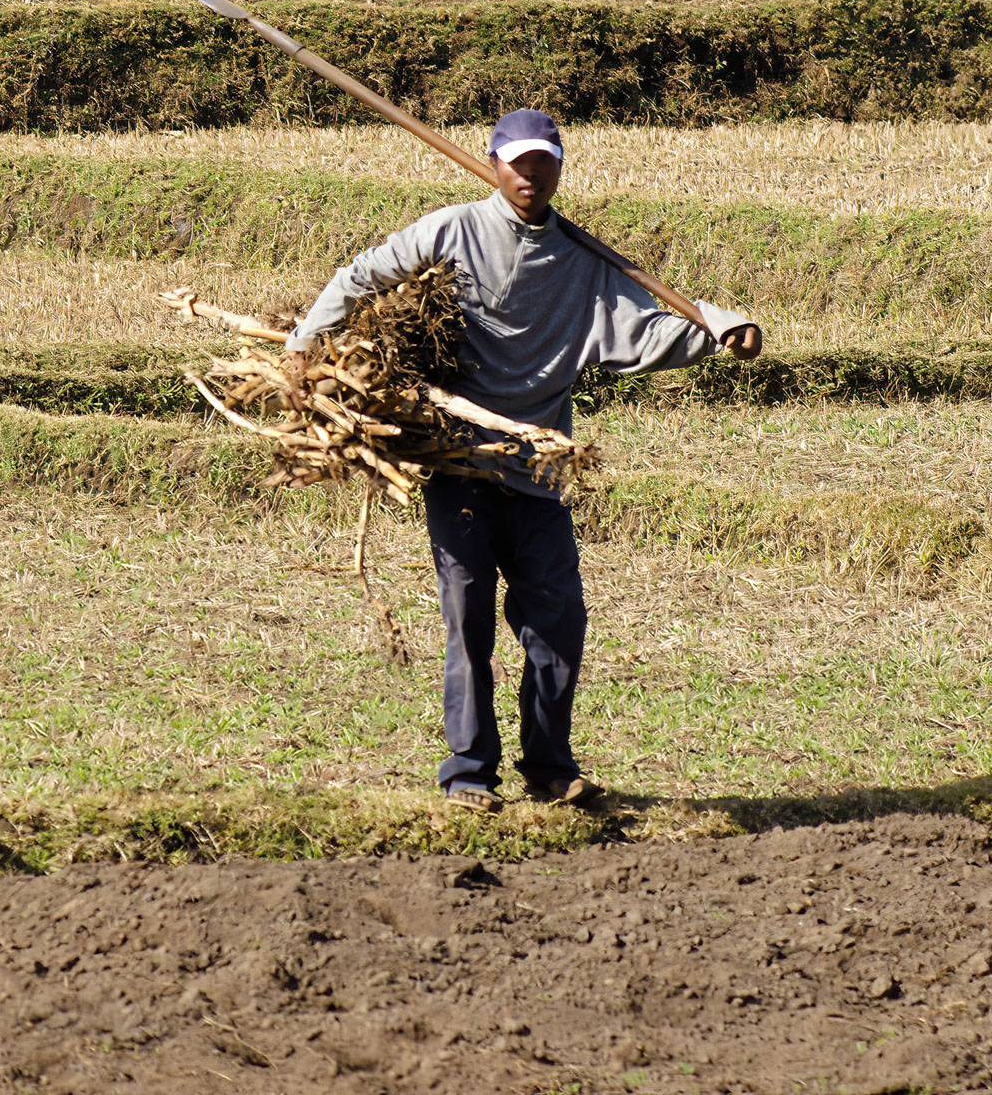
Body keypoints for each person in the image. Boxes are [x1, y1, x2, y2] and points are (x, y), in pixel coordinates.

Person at [281, 110, 762, 812]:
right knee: (468, 620)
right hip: (457, 462)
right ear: (495, 164)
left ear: (560, 169)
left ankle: (550, 768)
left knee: (558, 620)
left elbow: (647, 331)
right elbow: (362, 276)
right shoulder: (450, 232)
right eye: (517, 162)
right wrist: (304, 340)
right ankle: (469, 773)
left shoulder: (583, 266)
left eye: (543, 163)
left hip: (538, 468)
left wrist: (722, 330)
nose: (529, 175)